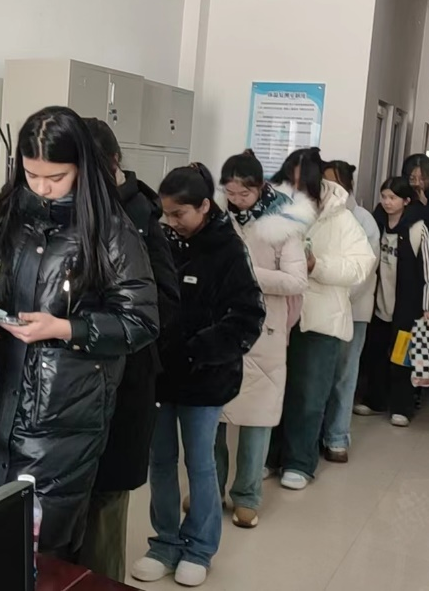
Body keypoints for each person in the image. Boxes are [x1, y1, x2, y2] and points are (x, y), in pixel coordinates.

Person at [0, 106, 158, 562]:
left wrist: (66, 328)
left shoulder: (111, 230)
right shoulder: (10, 211)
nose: (42, 188)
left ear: (82, 168)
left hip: (61, 414)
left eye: (56, 177)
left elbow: (142, 321)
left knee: (39, 549)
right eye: (32, 175)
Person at [131, 163, 264, 587]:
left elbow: (248, 316)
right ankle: (164, 543)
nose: (170, 222)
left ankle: (200, 548)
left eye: (179, 214)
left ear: (205, 206)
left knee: (200, 463)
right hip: (161, 372)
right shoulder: (160, 240)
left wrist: (198, 349)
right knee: (160, 461)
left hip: (205, 376)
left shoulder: (228, 248)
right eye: (166, 213)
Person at [77, 119, 180, 582]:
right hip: (74, 384)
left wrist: (93, 324)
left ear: (110, 165)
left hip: (123, 381)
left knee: (104, 510)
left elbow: (164, 305)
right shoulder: (69, 211)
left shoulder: (139, 218)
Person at [268, 148, 375, 490]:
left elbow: (361, 265)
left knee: (310, 394)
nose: (294, 190)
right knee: (273, 389)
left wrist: (318, 266)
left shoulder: (341, 218)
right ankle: (269, 456)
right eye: (289, 182)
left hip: (320, 319)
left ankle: (299, 462)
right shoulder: (276, 208)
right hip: (278, 315)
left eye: (301, 184)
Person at [215, 151, 308, 527]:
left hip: (264, 328)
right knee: (213, 413)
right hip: (221, 324)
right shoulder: (220, 218)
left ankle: (247, 496)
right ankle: (210, 490)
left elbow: (296, 280)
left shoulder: (283, 222)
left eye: (244, 194)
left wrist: (247, 273)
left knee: (257, 416)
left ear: (260, 188)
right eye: (230, 193)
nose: (236, 200)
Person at [355, 177, 429, 427]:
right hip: (380, 302)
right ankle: (375, 400)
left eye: (393, 197)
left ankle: (402, 407)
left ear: (406, 200)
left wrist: (428, 306)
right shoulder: (377, 224)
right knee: (376, 354)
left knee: (402, 357)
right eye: (384, 197)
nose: (387, 202)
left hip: (407, 307)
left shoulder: (418, 228)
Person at [320, 160, 380, 463]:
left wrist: (338, 296)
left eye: (332, 181)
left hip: (352, 310)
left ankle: (337, 437)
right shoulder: (317, 213)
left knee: (344, 375)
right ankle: (314, 435)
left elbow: (363, 272)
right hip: (320, 310)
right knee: (318, 375)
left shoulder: (363, 220)